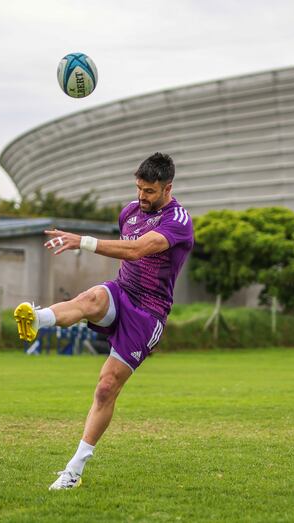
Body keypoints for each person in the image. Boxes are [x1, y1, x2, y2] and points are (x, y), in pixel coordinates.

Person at [13, 152, 194, 490]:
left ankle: (75, 469)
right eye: (139, 188)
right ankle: (38, 318)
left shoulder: (179, 221)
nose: (141, 196)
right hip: (121, 292)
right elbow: (127, 253)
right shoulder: (129, 211)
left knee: (106, 387)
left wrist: (81, 241)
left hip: (149, 313)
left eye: (150, 191)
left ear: (168, 188)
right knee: (91, 299)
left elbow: (137, 250)